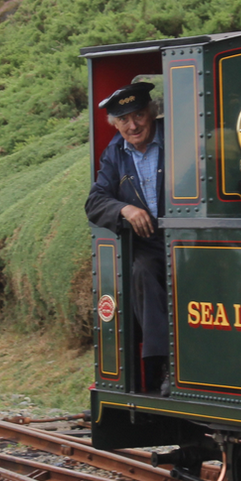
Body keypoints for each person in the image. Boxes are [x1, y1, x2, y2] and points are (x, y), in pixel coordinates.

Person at [84, 81, 169, 394]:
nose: (133, 126)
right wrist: (125, 209)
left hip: (188, 239)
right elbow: (95, 202)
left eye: (138, 116)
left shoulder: (176, 138)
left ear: (151, 112)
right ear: (115, 124)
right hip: (148, 243)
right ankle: (165, 367)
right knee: (142, 271)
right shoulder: (115, 153)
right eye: (124, 120)